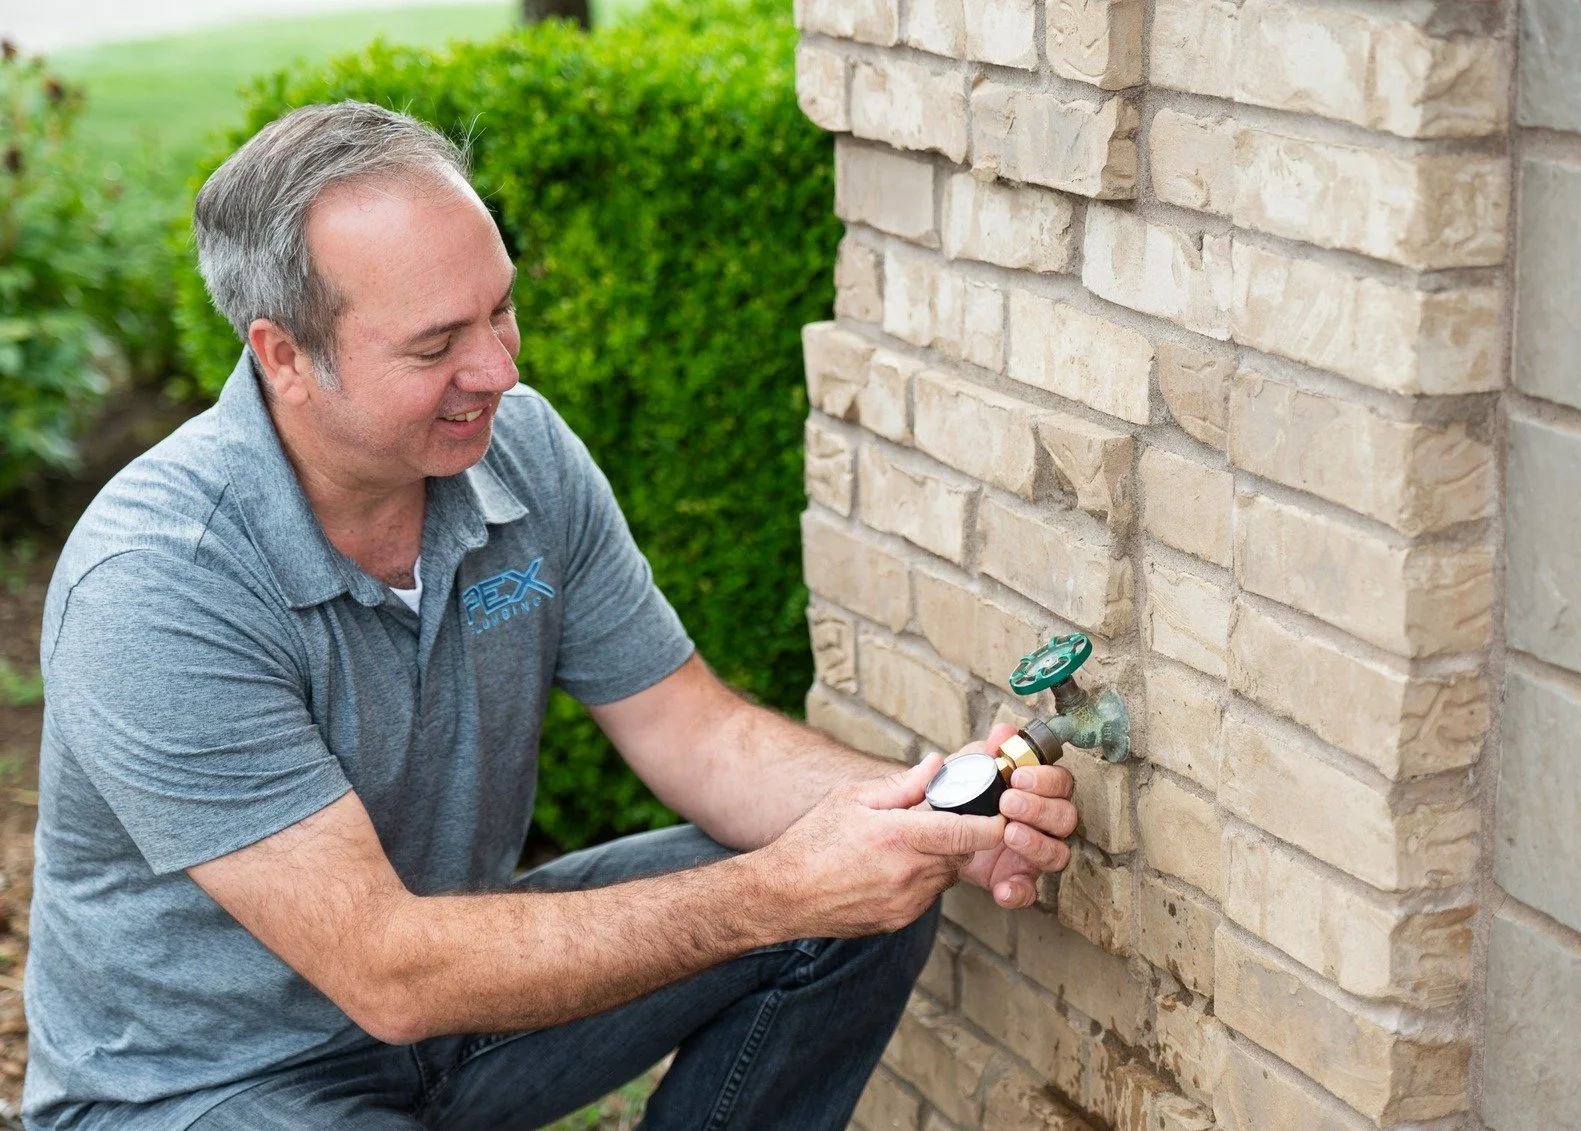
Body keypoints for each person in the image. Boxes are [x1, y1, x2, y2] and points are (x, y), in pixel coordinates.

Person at [23, 101, 1080, 1130]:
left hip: (451, 1024)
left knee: (857, 898)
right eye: (436, 346)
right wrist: (780, 891)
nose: (497, 369)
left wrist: (938, 815)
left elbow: (697, 733)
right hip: (206, 1088)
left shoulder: (515, 454)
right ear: (284, 355)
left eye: (498, 310)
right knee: (796, 890)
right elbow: (387, 972)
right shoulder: (159, 584)